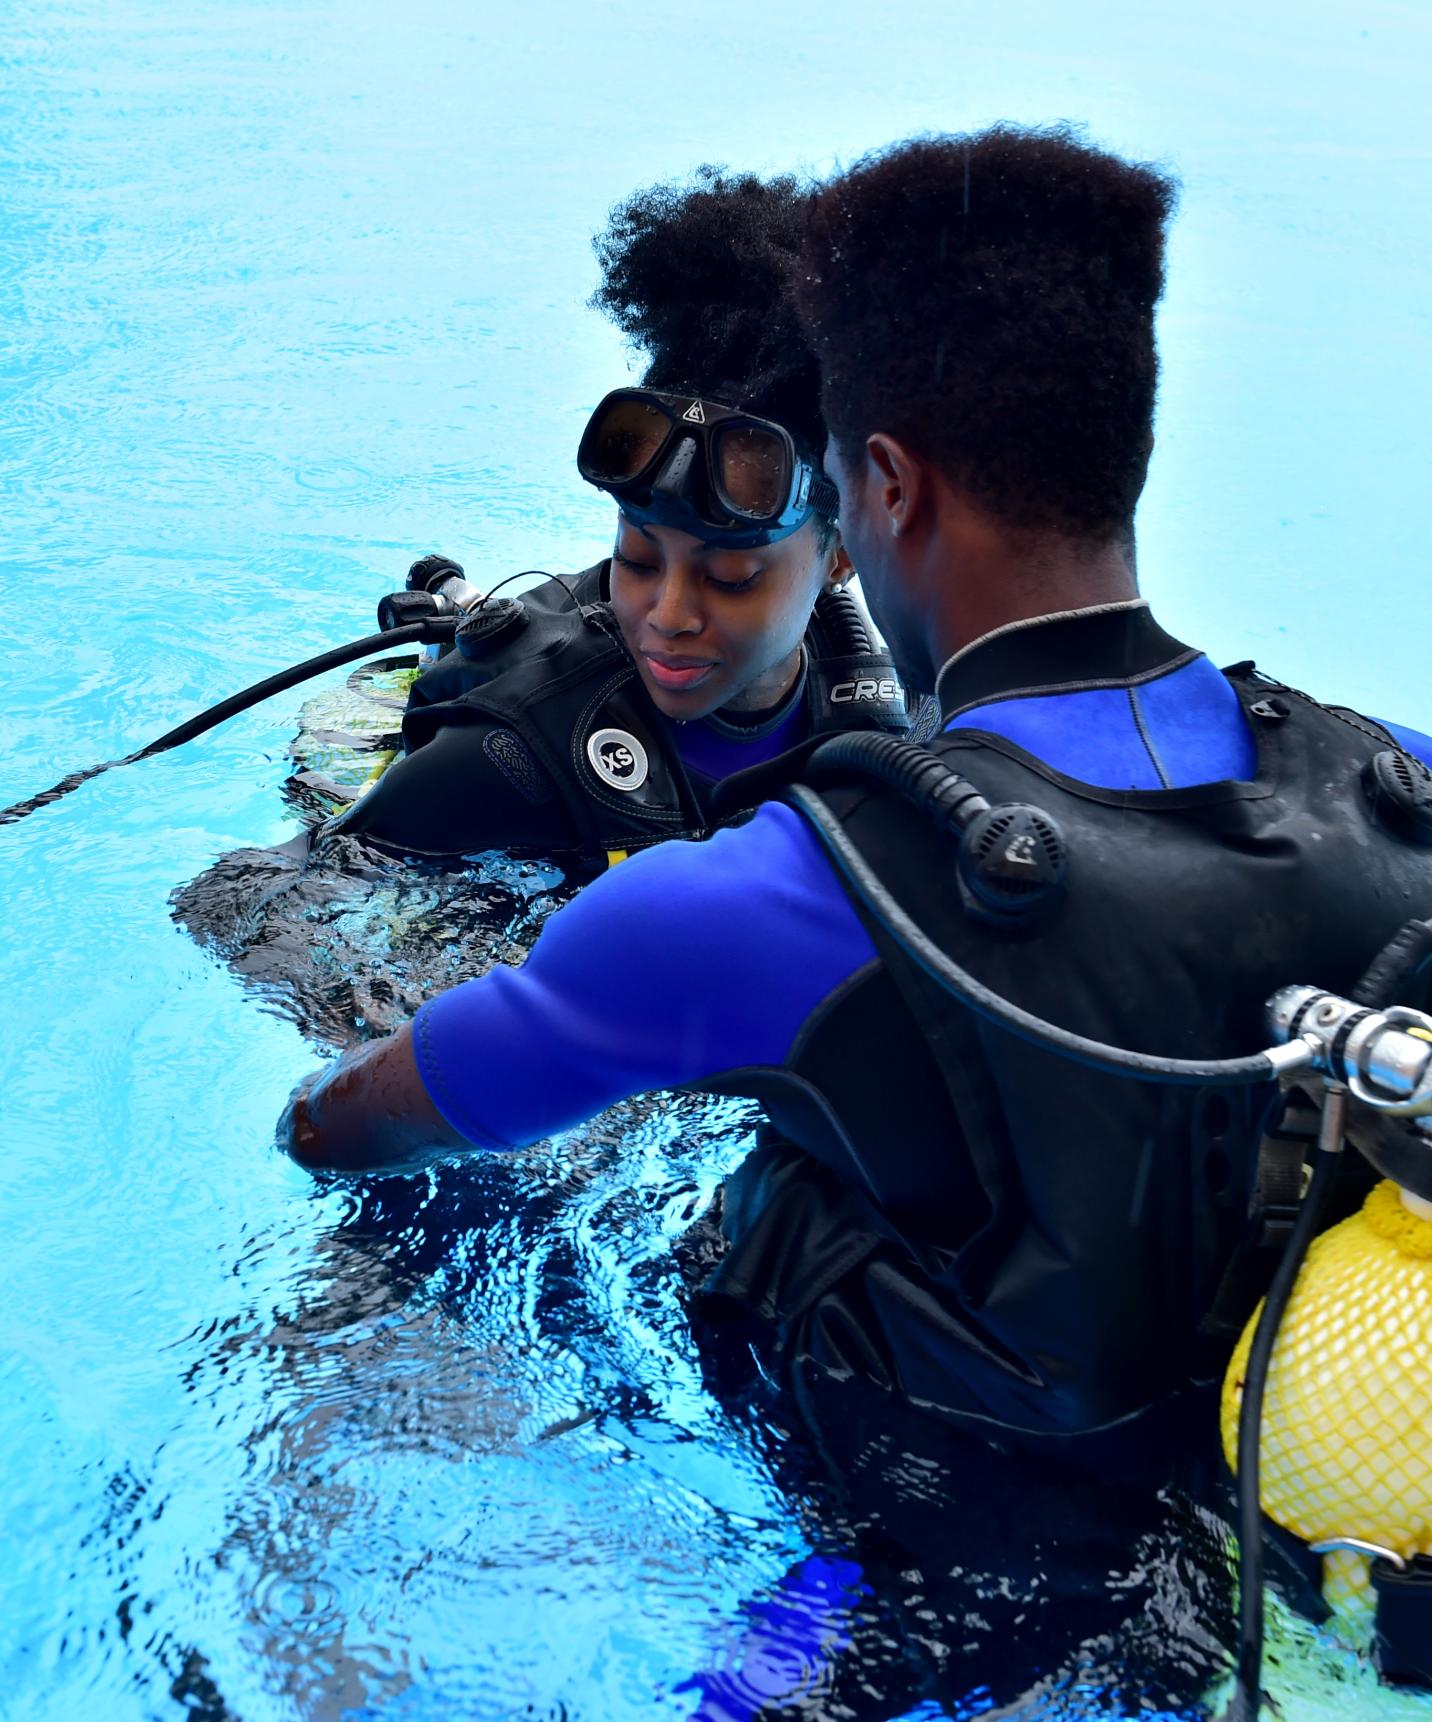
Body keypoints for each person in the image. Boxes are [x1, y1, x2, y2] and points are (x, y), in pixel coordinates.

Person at [279, 135, 1432, 1701]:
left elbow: (345, 1129)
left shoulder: (772, 899)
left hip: (903, 1602)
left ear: (875, 486)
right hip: (1283, 1590)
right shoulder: (1399, 783)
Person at [325, 167, 914, 872]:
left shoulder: (892, 710)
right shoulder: (509, 754)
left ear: (842, 556)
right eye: (636, 560)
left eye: (729, 578)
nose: (667, 613)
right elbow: (250, 907)